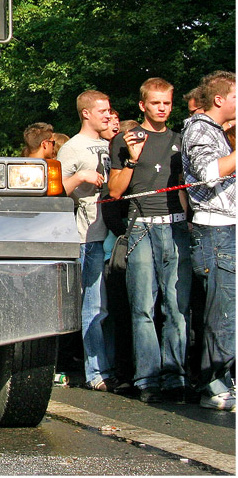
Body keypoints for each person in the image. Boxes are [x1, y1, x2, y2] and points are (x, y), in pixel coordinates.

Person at [109, 77, 190, 404]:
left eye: (167, 103)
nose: (162, 108)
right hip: (141, 227)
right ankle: (147, 380)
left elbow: (187, 190)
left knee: (176, 307)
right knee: (142, 307)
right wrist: (132, 157)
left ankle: (176, 377)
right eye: (155, 103)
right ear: (143, 105)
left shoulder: (181, 141)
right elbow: (115, 191)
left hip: (176, 229)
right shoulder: (124, 139)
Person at [182, 71, 236, 410]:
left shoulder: (215, 130)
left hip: (226, 228)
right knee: (222, 312)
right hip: (215, 230)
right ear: (219, 99)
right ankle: (214, 384)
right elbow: (209, 172)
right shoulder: (199, 129)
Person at [57, 89, 116, 392]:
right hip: (86, 239)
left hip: (110, 234)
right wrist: (81, 178)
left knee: (106, 307)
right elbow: (53, 191)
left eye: (109, 110)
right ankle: (96, 373)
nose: (108, 114)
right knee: (92, 307)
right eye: (103, 110)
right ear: (86, 113)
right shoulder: (72, 148)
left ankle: (110, 368)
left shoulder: (109, 144)